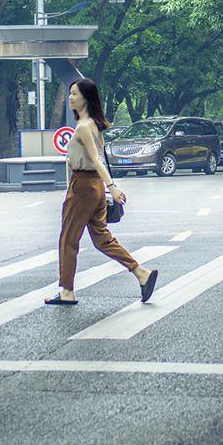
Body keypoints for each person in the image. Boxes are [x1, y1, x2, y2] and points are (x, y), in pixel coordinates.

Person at [47, 78, 157, 307]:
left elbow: (96, 160)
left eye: (74, 94)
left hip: (84, 187)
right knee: (102, 239)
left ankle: (67, 291)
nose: (70, 98)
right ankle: (141, 273)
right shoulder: (94, 125)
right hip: (93, 187)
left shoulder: (85, 126)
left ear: (86, 98)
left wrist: (113, 187)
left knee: (68, 239)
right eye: (70, 93)